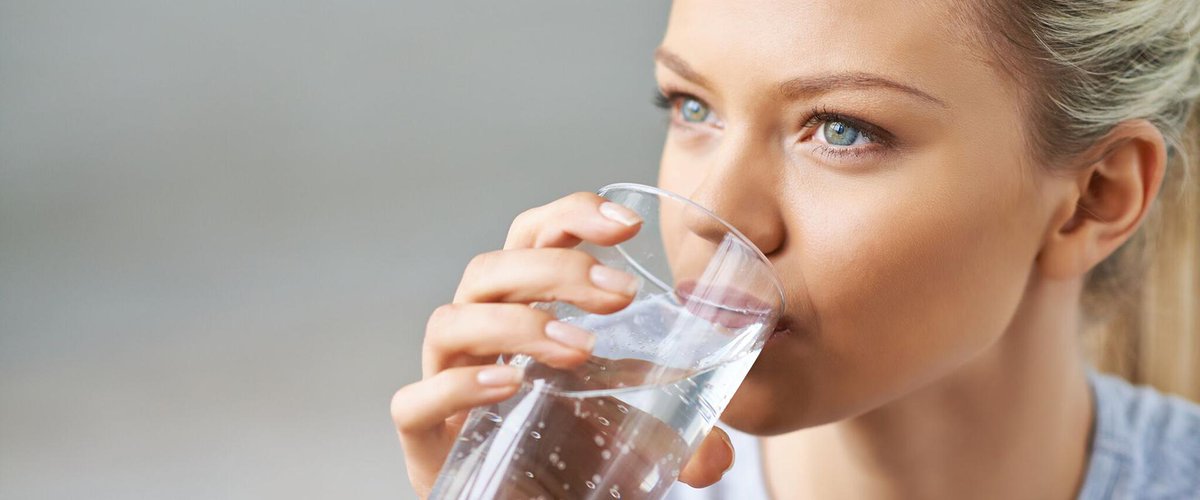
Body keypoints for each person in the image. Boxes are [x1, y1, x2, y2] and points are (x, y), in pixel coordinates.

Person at [391, 0, 1200, 498]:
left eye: (841, 130)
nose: (712, 212)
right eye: (692, 107)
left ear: (1095, 199)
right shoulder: (581, 478)